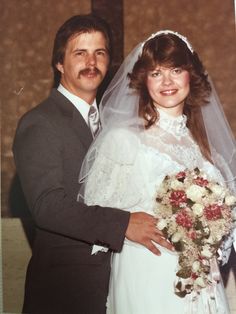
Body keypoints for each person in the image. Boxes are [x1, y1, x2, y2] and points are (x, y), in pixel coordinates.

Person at [13, 15, 173, 314]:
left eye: (99, 53)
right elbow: (48, 206)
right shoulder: (40, 122)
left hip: (118, 283)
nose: (91, 62)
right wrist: (123, 223)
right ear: (59, 63)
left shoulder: (116, 125)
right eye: (80, 53)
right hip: (67, 290)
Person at [79, 30, 236, 313]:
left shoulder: (199, 143)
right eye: (156, 72)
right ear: (143, 80)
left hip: (200, 279)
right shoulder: (123, 138)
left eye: (176, 70)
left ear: (191, 75)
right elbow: (96, 213)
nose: (167, 82)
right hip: (148, 271)